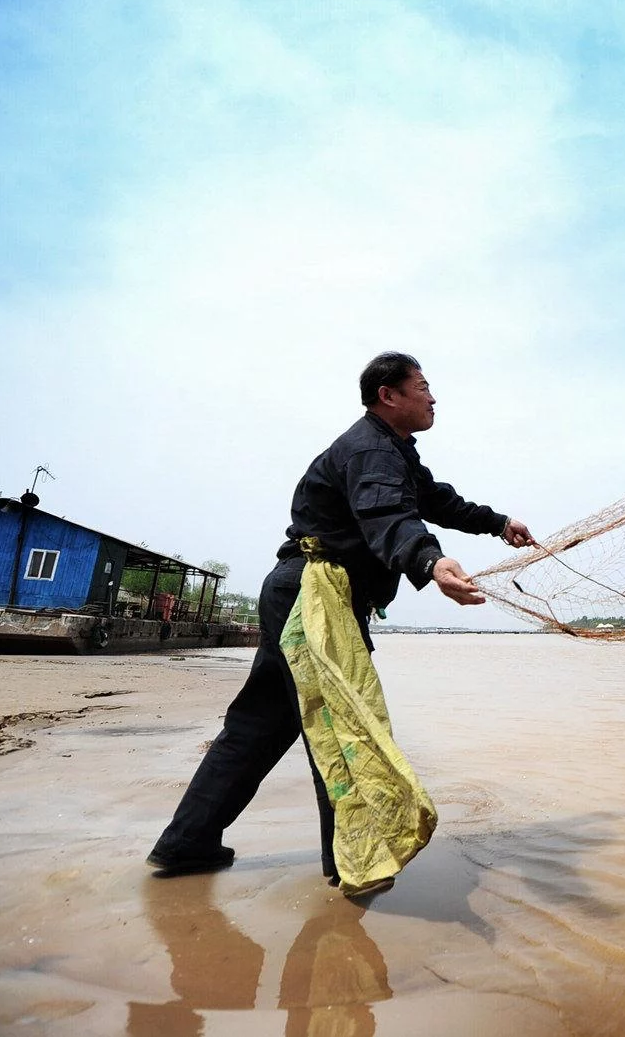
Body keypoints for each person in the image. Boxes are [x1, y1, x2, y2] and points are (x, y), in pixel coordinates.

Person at [147, 351, 533, 880]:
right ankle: (353, 861)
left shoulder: (391, 452)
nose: (433, 396)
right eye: (422, 386)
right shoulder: (371, 452)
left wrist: (498, 522)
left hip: (303, 594)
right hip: (315, 598)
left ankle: (186, 843)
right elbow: (389, 518)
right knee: (342, 724)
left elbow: (434, 501)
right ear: (388, 396)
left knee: (259, 725)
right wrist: (431, 561)